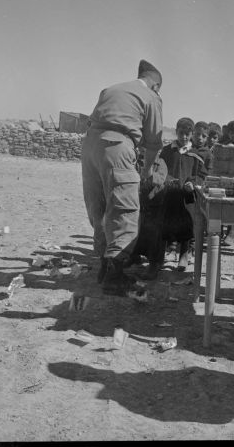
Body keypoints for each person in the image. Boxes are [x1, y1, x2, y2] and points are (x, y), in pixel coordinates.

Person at [81, 59, 164, 295]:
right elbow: (153, 142)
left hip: (89, 146)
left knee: (99, 207)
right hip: (117, 146)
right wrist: (147, 170)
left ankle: (104, 266)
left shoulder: (110, 90)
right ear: (156, 85)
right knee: (124, 209)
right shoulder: (151, 96)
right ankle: (114, 275)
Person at [157, 117, 208, 274]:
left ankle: (184, 255)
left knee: (186, 224)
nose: (184, 137)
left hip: (187, 196)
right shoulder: (167, 150)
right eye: (181, 133)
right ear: (176, 132)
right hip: (170, 194)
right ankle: (164, 252)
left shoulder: (195, 154)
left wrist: (193, 183)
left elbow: (201, 174)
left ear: (191, 134)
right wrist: (166, 180)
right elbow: (159, 169)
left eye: (187, 134)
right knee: (167, 221)